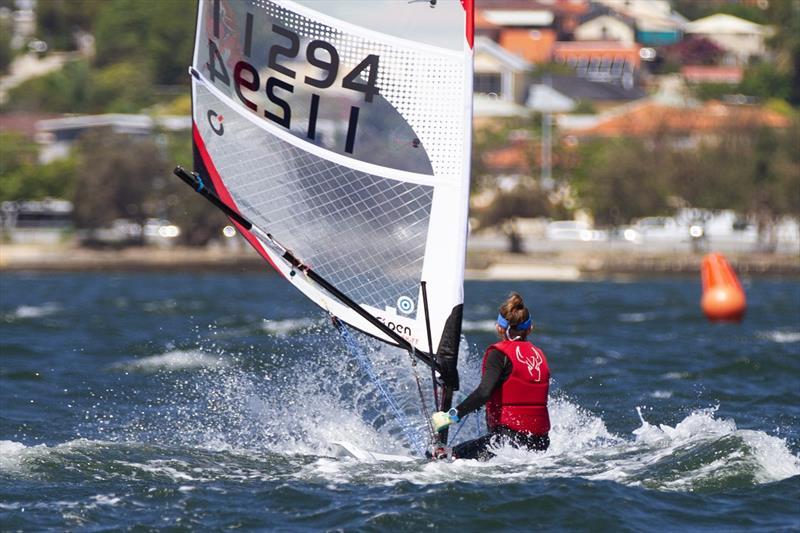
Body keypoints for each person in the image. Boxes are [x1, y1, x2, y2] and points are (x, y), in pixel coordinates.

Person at [430, 292, 550, 460]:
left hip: (507, 443)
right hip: (541, 444)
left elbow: (484, 393)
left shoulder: (498, 354)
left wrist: (450, 416)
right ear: (530, 328)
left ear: (498, 327)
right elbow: (520, 391)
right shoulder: (538, 354)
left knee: (443, 457)